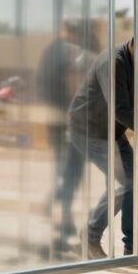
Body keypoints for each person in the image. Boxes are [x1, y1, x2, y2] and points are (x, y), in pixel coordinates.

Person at [67, 20, 138, 259]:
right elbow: (121, 109)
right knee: (126, 183)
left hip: (112, 132)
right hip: (88, 131)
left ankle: (134, 245)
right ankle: (90, 237)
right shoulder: (113, 62)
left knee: (137, 183)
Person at [37, 20, 87, 252]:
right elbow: (72, 84)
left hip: (59, 119)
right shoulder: (68, 52)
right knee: (70, 171)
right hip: (68, 120)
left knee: (65, 170)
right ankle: (63, 221)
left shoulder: (52, 52)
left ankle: (59, 213)